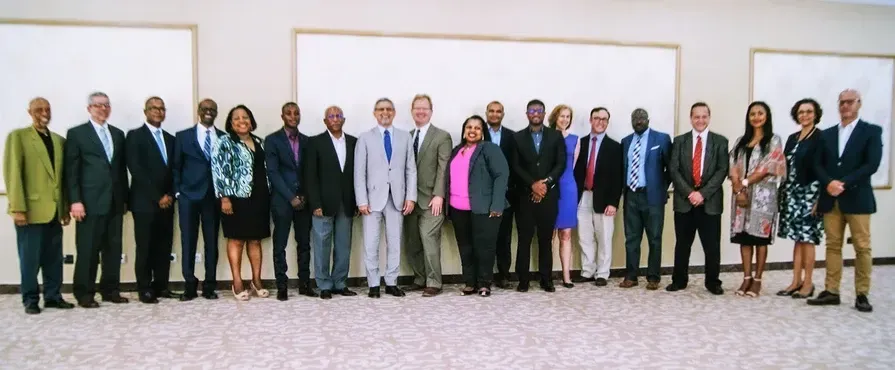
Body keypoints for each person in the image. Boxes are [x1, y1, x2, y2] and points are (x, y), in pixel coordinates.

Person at [807, 89, 882, 313]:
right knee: (832, 245)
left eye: (850, 102)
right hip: (831, 199)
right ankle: (832, 290)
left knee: (862, 247)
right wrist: (829, 182)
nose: (845, 106)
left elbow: (871, 164)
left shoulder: (871, 131)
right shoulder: (827, 134)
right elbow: (817, 164)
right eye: (842, 102)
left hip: (858, 198)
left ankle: (862, 294)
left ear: (859, 103)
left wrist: (844, 183)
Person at [4, 97, 74, 314]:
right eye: (38, 109)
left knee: (54, 258)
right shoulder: (18, 137)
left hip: (54, 211)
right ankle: (30, 299)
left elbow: (62, 179)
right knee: (30, 259)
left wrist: (64, 208)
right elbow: (13, 174)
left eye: (47, 109)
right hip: (30, 211)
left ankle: (53, 296)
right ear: (30, 112)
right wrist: (18, 208)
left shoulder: (59, 140)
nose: (44, 113)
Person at [65, 91, 129, 307]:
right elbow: (71, 171)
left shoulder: (118, 134)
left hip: (114, 201)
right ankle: (84, 294)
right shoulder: (77, 134)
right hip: (89, 203)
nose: (103, 109)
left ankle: (110, 290)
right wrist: (75, 200)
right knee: (88, 250)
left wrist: (124, 199)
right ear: (89, 109)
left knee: (113, 250)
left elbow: (120, 169)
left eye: (106, 105)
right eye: (98, 105)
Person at [354, 98, 417, 298]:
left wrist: (411, 197)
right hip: (372, 200)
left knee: (394, 243)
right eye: (381, 109)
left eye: (389, 109)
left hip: (397, 198)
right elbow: (359, 172)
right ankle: (373, 284)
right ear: (374, 113)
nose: (385, 112)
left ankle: (391, 282)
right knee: (371, 244)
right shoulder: (365, 138)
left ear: (394, 113)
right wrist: (361, 200)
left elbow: (411, 169)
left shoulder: (405, 137)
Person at [667, 102, 728, 295]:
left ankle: (713, 282)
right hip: (684, 202)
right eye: (696, 116)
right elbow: (673, 170)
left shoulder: (720, 141)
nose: (700, 120)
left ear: (709, 117)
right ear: (691, 118)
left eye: (704, 116)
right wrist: (690, 193)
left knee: (712, 246)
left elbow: (722, 170)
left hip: (710, 202)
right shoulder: (679, 141)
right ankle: (679, 280)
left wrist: (702, 194)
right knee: (682, 244)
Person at [211, 105, 272, 301]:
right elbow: (219, 171)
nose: (241, 121)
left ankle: (256, 280)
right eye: (236, 118)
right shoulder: (224, 142)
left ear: (251, 121)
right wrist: (224, 197)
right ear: (230, 123)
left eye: (245, 117)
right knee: (236, 240)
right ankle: (237, 282)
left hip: (260, 198)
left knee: (255, 240)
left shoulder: (260, 142)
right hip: (235, 199)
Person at [445, 115, 509, 297]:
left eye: (477, 128)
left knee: (484, 247)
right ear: (464, 130)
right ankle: (470, 282)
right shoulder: (457, 150)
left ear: (483, 132)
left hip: (484, 208)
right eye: (469, 127)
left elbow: (501, 175)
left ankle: (484, 283)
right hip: (458, 208)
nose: (472, 131)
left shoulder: (489, 149)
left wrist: (497, 205)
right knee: (465, 247)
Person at [728, 101, 786, 298]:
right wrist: (738, 188)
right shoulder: (741, 141)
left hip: (763, 198)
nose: (756, 117)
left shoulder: (774, 140)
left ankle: (758, 280)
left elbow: (768, 167)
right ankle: (746, 278)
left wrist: (744, 182)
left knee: (760, 239)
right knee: (744, 238)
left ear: (767, 116)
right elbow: (732, 165)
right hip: (741, 197)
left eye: (760, 113)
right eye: (752, 114)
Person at [125, 96, 179, 304]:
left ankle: (161, 286)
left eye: (161, 108)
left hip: (168, 202)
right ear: (145, 111)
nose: (158, 111)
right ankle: (145, 288)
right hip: (145, 203)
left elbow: (175, 170)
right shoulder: (135, 136)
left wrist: (171, 194)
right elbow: (136, 169)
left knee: (164, 246)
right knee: (145, 247)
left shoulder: (170, 139)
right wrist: (157, 196)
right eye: (153, 108)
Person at [511, 99, 566, 293]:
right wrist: (532, 185)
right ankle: (523, 280)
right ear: (527, 114)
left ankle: (546, 279)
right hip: (524, 197)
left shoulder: (555, 136)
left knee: (545, 239)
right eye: (532, 110)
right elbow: (515, 166)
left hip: (548, 196)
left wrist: (545, 184)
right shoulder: (517, 138)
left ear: (544, 113)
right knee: (524, 239)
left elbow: (560, 164)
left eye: (539, 110)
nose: (535, 113)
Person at [173, 99, 225, 300]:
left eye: (212, 109)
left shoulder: (223, 137)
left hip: (212, 197)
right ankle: (189, 284)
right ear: (198, 111)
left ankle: (209, 285)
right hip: (188, 197)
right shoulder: (183, 136)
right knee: (188, 241)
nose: (208, 112)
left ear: (216, 113)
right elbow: (176, 166)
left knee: (211, 242)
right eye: (205, 109)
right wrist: (178, 192)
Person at [305, 105, 359, 299]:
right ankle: (324, 285)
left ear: (343, 119)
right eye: (331, 116)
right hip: (323, 204)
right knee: (322, 245)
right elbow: (310, 176)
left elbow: (357, 174)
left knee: (344, 246)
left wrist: (357, 201)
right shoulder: (315, 142)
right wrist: (315, 203)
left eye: (338, 116)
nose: (335, 119)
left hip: (347, 202)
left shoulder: (354, 142)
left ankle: (340, 283)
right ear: (325, 121)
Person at [265, 102, 316, 300]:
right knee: (280, 245)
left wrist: (304, 195)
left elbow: (309, 171)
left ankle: (304, 284)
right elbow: (273, 172)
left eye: (296, 113)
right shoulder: (272, 140)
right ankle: (282, 286)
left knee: (304, 244)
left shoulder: (307, 141)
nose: (293, 116)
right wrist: (290, 197)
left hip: (303, 201)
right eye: (289, 113)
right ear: (282, 116)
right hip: (282, 200)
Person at [404, 94, 452, 297]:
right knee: (412, 242)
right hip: (409, 200)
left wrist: (439, 194)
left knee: (428, 239)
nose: (421, 111)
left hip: (432, 200)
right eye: (417, 108)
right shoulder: (406, 136)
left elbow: (443, 168)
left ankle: (434, 282)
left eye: (425, 108)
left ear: (431, 112)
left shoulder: (442, 136)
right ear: (412, 111)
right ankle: (420, 278)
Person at [776, 98, 825, 299]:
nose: (804, 115)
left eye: (809, 111)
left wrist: (820, 199)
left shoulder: (821, 138)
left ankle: (808, 283)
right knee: (797, 239)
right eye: (801, 112)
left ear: (816, 114)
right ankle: (795, 281)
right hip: (791, 193)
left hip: (810, 194)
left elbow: (824, 168)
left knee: (808, 239)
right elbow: (785, 165)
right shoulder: (792, 138)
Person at [620, 108, 671, 290]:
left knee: (654, 238)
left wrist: (661, 188)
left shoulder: (661, 139)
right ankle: (631, 276)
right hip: (631, 196)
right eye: (635, 118)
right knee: (631, 238)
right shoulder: (626, 141)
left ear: (648, 120)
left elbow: (670, 167)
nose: (639, 121)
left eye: (642, 118)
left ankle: (653, 277)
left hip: (653, 197)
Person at [574, 107, 622, 287]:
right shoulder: (581, 143)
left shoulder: (615, 147)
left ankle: (602, 273)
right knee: (584, 236)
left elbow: (618, 177)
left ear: (607, 122)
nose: (600, 122)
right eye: (597, 118)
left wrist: (613, 202)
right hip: (583, 197)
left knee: (604, 237)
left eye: (604, 119)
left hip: (605, 199)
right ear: (590, 120)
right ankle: (587, 271)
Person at [484, 101, 517, 289]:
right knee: (486, 238)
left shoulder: (512, 136)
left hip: (506, 194)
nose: (495, 114)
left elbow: (515, 164)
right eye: (491, 111)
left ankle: (504, 275)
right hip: (483, 193)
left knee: (504, 237)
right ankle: (486, 276)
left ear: (503, 114)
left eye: (498, 111)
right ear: (486, 113)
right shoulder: (479, 132)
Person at [548, 104, 579, 288]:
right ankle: (547, 274)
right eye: (562, 116)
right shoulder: (546, 137)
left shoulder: (575, 140)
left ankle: (566, 276)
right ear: (555, 117)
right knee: (549, 233)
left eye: (568, 116)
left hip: (568, 188)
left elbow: (572, 166)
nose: (565, 119)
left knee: (566, 234)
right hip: (550, 188)